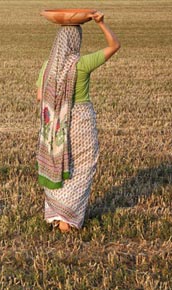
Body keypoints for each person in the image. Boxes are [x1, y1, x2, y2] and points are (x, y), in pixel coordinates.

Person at [36, 11, 120, 232]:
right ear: (75, 42)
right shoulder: (81, 64)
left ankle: (55, 214)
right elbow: (114, 46)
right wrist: (101, 23)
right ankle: (68, 219)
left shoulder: (47, 67)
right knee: (81, 168)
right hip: (80, 123)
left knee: (57, 164)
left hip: (56, 127)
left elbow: (39, 96)